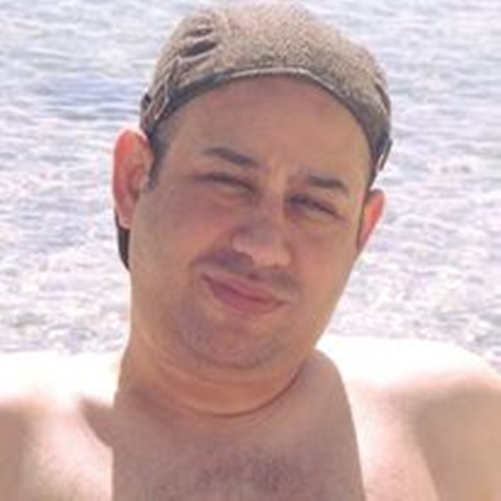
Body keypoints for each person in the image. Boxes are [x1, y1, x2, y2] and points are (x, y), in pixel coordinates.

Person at [1, 2, 500, 500]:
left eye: (313, 204)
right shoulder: (18, 441)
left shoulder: (448, 426)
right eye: (228, 182)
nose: (264, 247)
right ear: (132, 180)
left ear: (362, 231)